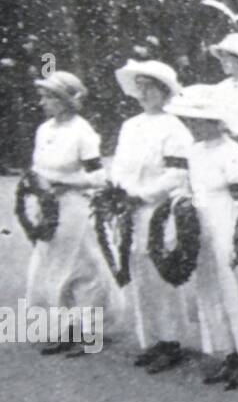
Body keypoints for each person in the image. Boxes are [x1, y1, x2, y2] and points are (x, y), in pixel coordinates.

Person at [165, 84, 238, 390]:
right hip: (202, 225)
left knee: (235, 292)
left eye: (197, 121)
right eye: (188, 121)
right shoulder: (194, 151)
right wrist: (182, 203)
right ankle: (230, 353)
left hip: (227, 223)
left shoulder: (231, 151)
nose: (191, 127)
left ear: (214, 122)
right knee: (211, 290)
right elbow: (191, 186)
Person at [110, 59, 196, 373]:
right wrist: (121, 191)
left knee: (160, 273)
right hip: (130, 209)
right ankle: (152, 339)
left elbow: (176, 174)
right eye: (140, 87)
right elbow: (118, 165)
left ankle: (171, 341)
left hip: (158, 209)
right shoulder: (130, 126)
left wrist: (143, 194)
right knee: (138, 272)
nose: (144, 93)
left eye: (150, 87)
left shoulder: (174, 128)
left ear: (164, 91)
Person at [24, 72, 115, 355]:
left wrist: (66, 184)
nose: (42, 102)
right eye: (42, 97)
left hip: (74, 208)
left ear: (65, 101)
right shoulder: (44, 130)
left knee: (84, 270)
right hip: (48, 209)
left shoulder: (83, 132)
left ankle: (90, 334)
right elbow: (38, 168)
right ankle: (66, 330)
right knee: (51, 267)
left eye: (48, 97)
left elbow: (99, 177)